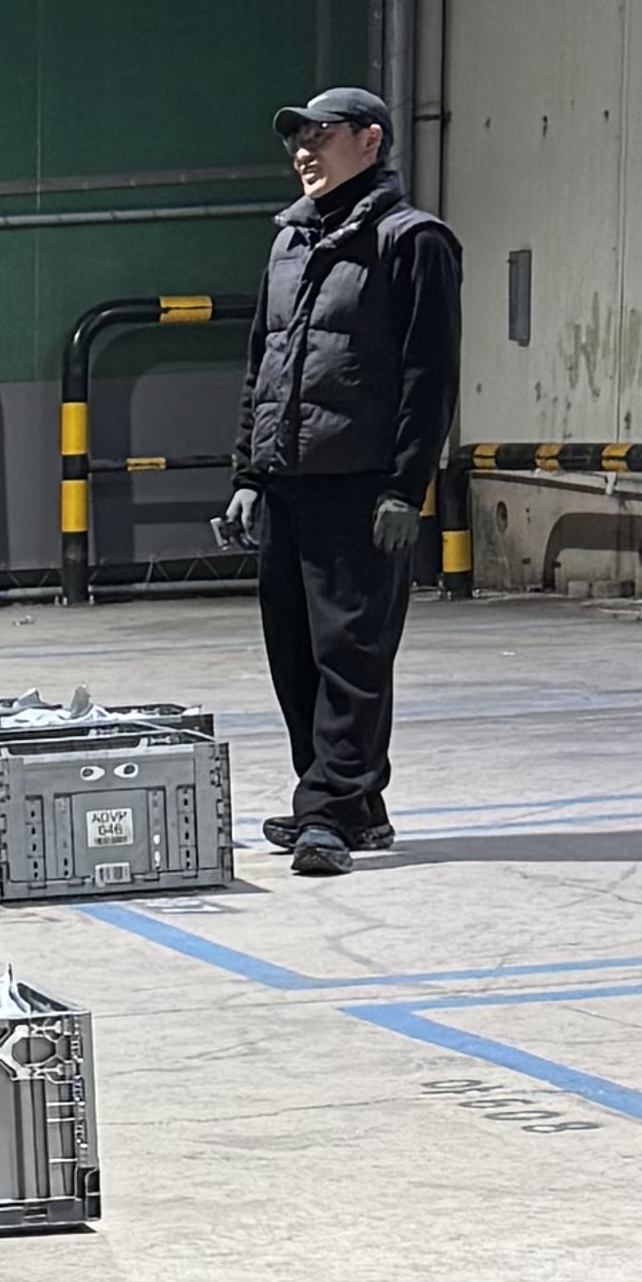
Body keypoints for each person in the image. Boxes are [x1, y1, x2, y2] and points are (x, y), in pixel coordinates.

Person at [218, 81, 460, 878]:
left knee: (349, 656)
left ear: (369, 139)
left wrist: (404, 488)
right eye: (296, 139)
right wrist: (248, 473)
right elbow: (263, 361)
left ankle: (324, 813)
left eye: (318, 136)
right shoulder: (290, 242)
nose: (302, 151)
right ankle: (352, 806)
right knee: (293, 656)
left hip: (360, 488)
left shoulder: (412, 241)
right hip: (287, 480)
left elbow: (429, 377)